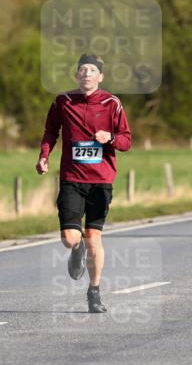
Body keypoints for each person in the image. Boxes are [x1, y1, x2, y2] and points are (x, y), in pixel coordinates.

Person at [37, 54, 132, 314]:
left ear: (100, 77)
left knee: (94, 239)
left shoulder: (112, 103)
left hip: (101, 181)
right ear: (76, 75)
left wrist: (110, 138)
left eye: (92, 70)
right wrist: (44, 156)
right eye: (82, 69)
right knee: (70, 238)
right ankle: (75, 249)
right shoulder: (63, 102)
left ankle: (94, 291)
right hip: (72, 178)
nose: (86, 73)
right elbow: (50, 131)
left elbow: (126, 141)